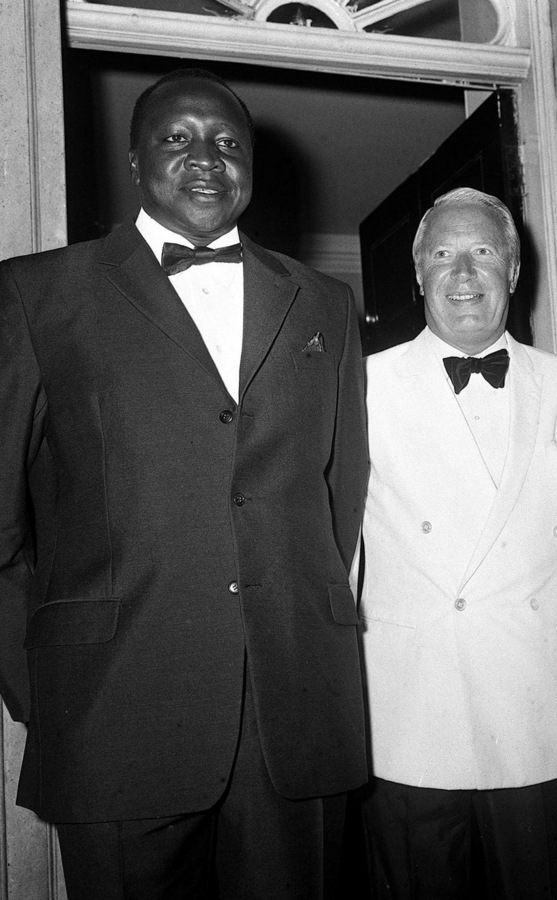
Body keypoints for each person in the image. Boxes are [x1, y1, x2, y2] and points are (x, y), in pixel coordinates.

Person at [0, 68, 369, 900]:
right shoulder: (36, 293)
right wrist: (44, 687)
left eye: (229, 143)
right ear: (134, 161)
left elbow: (339, 500)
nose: (207, 158)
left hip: (294, 710)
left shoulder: (325, 303)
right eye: (177, 137)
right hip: (111, 711)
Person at [355, 187, 557, 899]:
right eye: (442, 253)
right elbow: (335, 562)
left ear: (513, 270)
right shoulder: (359, 386)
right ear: (417, 275)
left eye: (483, 252)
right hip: (404, 720)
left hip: (539, 713)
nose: (463, 272)